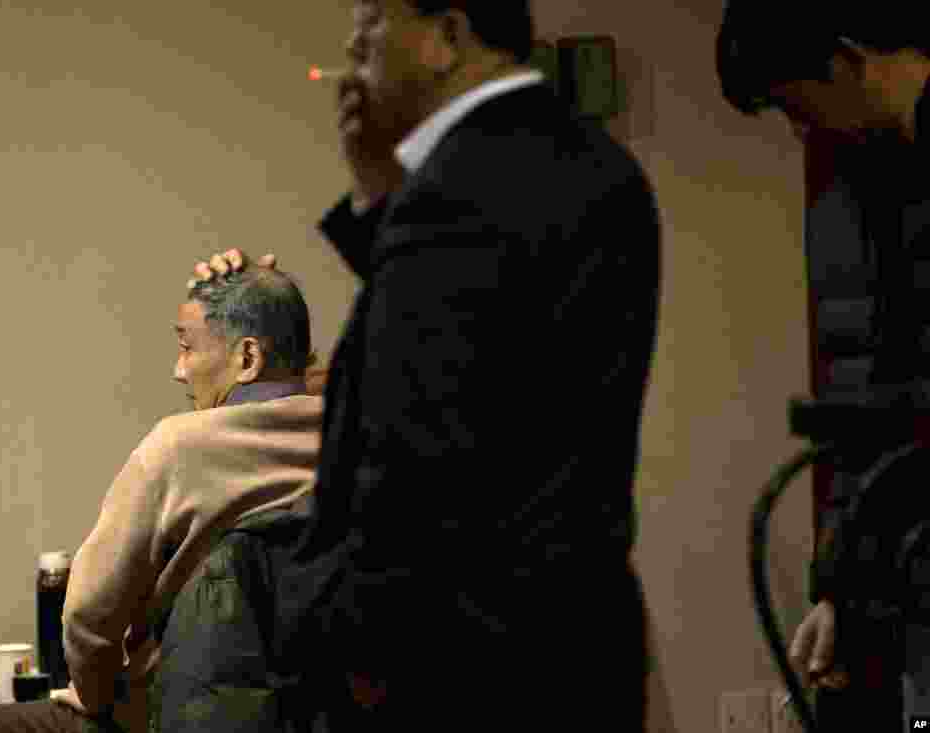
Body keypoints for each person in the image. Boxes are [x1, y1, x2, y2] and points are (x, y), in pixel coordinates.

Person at [190, 1, 661, 729]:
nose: (351, 42)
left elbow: (412, 450)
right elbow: (500, 361)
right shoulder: (596, 165)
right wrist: (380, 193)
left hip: (460, 667)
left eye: (374, 19)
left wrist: (337, 645)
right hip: (571, 641)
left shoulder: (458, 191)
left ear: (447, 36)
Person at [0, 266, 324, 733]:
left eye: (187, 347)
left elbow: (90, 613)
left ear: (247, 357)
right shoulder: (352, 441)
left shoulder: (179, 447)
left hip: (172, 713)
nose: (178, 368)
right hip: (314, 711)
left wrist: (99, 697)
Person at [716, 0, 930, 709]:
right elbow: (866, 395)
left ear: (848, 60)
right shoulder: (860, 190)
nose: (801, 127)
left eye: (794, 105)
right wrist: (843, 587)